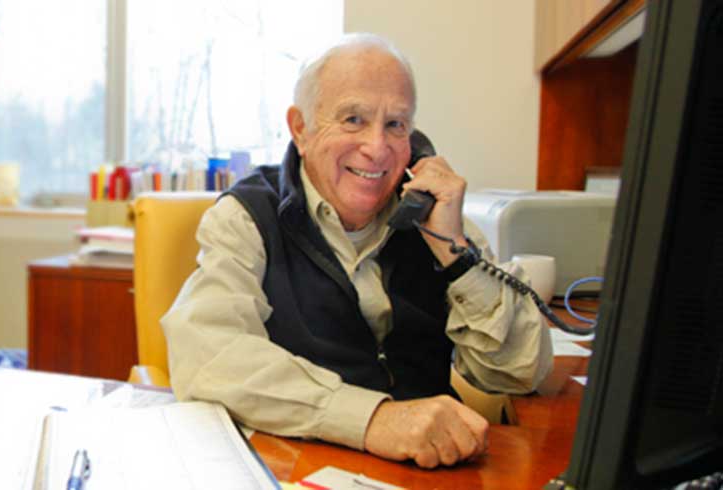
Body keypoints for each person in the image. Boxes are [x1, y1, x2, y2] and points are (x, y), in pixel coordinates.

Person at [161, 33, 553, 469]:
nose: (377, 148)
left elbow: (519, 371)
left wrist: (456, 255)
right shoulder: (248, 217)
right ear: (300, 128)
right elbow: (208, 355)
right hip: (299, 461)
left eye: (396, 125)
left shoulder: (435, 217)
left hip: (426, 468)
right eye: (352, 119)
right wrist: (374, 420)